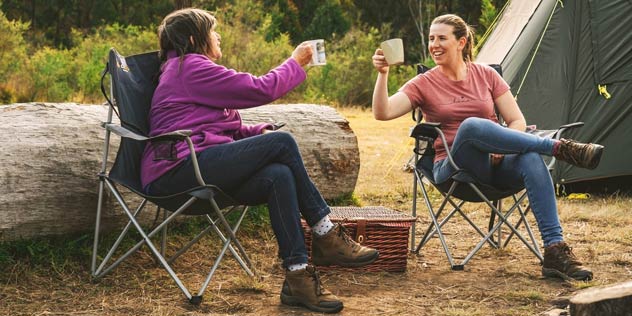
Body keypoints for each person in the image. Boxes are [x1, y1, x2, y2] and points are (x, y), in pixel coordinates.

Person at [141, 8, 378, 313]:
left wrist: (256, 131)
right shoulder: (190, 67)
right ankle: (325, 233)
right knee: (282, 142)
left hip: (197, 163)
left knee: (278, 175)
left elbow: (216, 126)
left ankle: (297, 278)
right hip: (177, 171)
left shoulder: (185, 69)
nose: (218, 36)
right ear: (192, 39)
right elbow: (260, 88)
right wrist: (295, 63)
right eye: (212, 31)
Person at [371, 14, 604, 281]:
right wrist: (383, 74)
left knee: (530, 159)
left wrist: (502, 148)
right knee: (471, 126)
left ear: (461, 42)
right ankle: (557, 148)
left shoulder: (487, 75)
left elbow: (516, 120)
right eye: (431, 38)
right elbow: (383, 112)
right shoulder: (424, 83)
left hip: (495, 165)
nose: (434, 44)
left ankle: (555, 251)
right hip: (454, 167)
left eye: (441, 38)